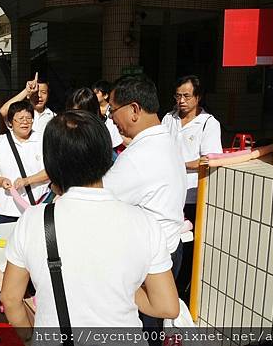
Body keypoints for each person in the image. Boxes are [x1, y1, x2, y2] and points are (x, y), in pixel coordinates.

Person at [0, 110, 179, 342]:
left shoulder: (33, 220)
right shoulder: (144, 222)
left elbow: (10, 299)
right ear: (106, 157)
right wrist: (122, 286)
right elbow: (166, 306)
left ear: (52, 163)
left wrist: (29, 337)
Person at [102, 75, 186, 344]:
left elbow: (98, 199)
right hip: (170, 248)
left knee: (141, 329)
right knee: (153, 328)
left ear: (134, 109)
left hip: (148, 263)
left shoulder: (140, 156)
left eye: (112, 109)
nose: (111, 117)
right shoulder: (165, 140)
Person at [161, 75, 222, 300]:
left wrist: (180, 164)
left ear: (198, 97)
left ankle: (181, 291)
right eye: (178, 96)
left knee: (187, 247)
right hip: (169, 194)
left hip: (192, 196)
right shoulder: (169, 118)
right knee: (168, 242)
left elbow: (210, 159)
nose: (181, 101)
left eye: (187, 96)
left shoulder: (208, 123)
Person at [0, 100, 50, 224]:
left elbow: (51, 170)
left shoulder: (43, 140)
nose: (25, 122)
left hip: (37, 207)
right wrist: (1, 180)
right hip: (5, 210)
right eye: (20, 118)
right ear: (10, 122)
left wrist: (27, 180)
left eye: (29, 118)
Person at [92, 80, 124, 153]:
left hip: (113, 146)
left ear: (105, 95)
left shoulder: (113, 109)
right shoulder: (93, 108)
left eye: (96, 93)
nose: (93, 96)